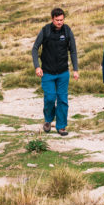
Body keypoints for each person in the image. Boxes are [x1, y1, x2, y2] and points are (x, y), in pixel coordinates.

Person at [32, 7, 79, 136]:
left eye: (62, 20)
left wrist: (75, 69)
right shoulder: (45, 30)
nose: (60, 22)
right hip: (47, 72)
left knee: (63, 99)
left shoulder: (67, 30)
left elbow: (73, 51)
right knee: (50, 98)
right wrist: (37, 66)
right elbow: (35, 48)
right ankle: (48, 120)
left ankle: (61, 126)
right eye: (57, 20)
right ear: (52, 19)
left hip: (63, 72)